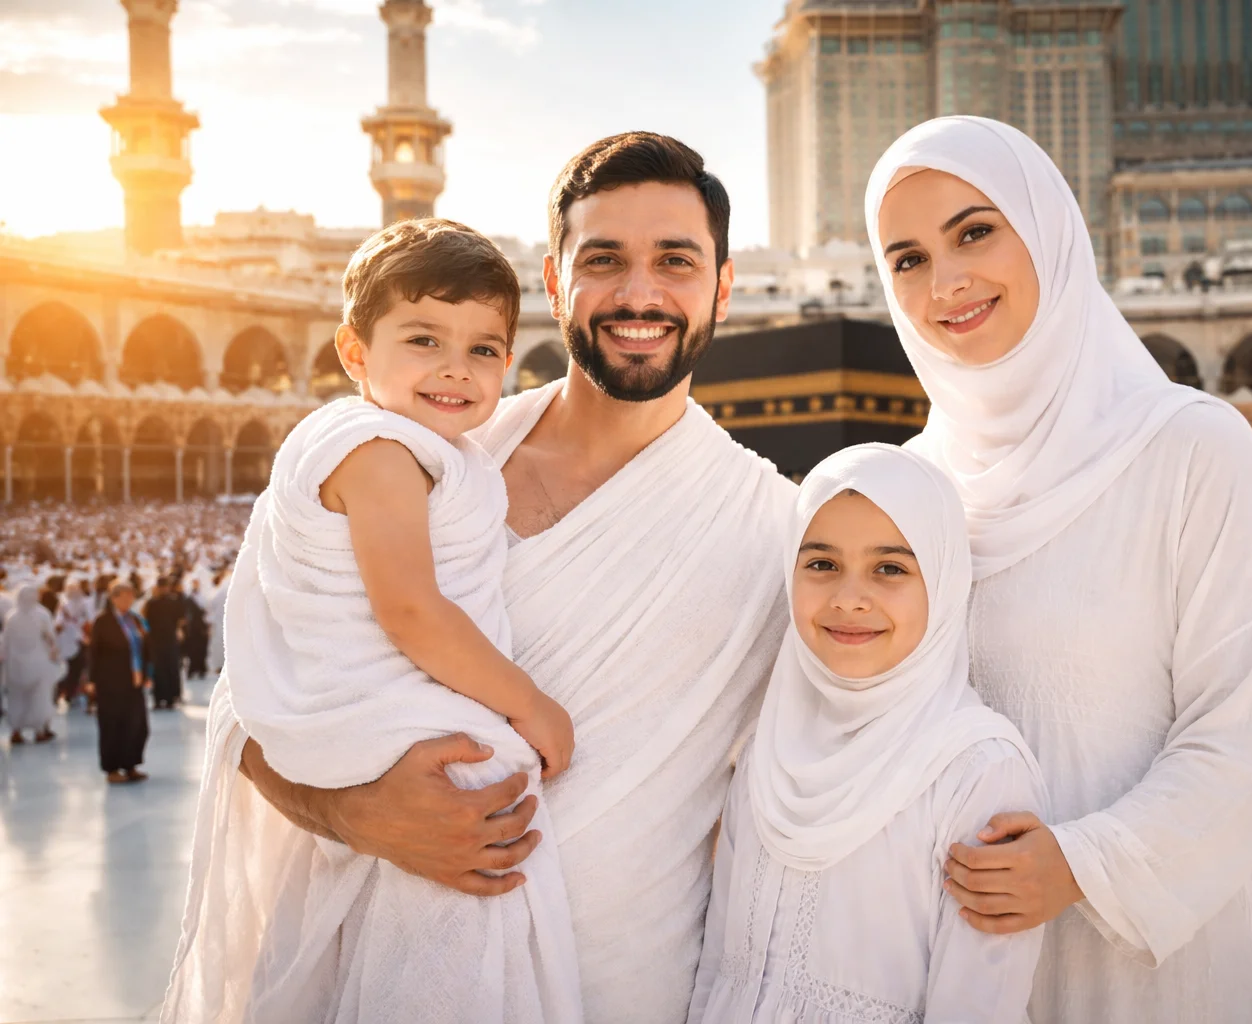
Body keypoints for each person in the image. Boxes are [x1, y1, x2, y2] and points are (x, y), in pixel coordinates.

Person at [182, 133, 796, 1024]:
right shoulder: (422, 454)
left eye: (675, 260)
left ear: (723, 289)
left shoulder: (775, 525)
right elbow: (252, 687)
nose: (638, 292)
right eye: (604, 260)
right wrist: (351, 812)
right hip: (381, 970)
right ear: (553, 283)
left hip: (621, 981)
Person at [867, 117, 1252, 1021]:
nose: (945, 283)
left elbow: (1241, 735)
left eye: (975, 231)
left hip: (1153, 953)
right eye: (906, 259)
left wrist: (1079, 864)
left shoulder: (1188, 445)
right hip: (962, 947)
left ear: (1049, 231)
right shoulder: (914, 486)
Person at [164, 219, 581, 1024]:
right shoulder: (382, 452)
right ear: (354, 354)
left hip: (403, 711)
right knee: (473, 825)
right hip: (390, 712)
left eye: (485, 350)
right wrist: (530, 705)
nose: (457, 369)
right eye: (423, 340)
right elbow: (411, 611)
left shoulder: (429, 449)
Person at [691, 444, 1049, 1022]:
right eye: (822, 564)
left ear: (944, 579)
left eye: (890, 568)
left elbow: (978, 1004)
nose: (849, 599)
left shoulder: (974, 769)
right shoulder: (767, 751)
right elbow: (718, 970)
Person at [81, 581, 150, 783]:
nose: (128, 600)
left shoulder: (135, 620)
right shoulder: (103, 621)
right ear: (113, 598)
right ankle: (112, 769)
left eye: (131, 596)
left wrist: (145, 674)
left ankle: (130, 764)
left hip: (133, 681)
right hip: (110, 681)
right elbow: (94, 652)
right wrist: (92, 680)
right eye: (124, 596)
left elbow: (144, 647)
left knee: (136, 724)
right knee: (112, 724)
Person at [0, 585, 64, 745]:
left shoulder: (11, 616)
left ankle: (16, 731)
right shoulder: (42, 614)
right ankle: (39, 731)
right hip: (39, 663)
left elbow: (5, 641)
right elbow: (50, 637)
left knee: (16, 698)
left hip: (15, 665)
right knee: (39, 697)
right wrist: (55, 654)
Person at [142, 577, 184, 709]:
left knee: (163, 669)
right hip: (164, 640)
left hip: (160, 640)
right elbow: (181, 620)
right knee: (165, 669)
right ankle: (168, 698)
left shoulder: (153, 603)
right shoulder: (169, 602)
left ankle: (162, 699)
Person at [55, 579, 93, 708]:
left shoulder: (63, 605)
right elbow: (89, 622)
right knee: (78, 669)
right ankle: (71, 693)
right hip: (81, 640)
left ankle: (65, 692)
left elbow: (58, 625)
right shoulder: (85, 603)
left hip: (67, 642)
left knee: (70, 669)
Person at [182, 578, 209, 680]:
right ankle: (192, 670)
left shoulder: (203, 597)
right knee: (192, 650)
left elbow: (206, 611)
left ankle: (201, 670)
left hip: (201, 627)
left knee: (202, 649)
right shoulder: (188, 598)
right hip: (192, 629)